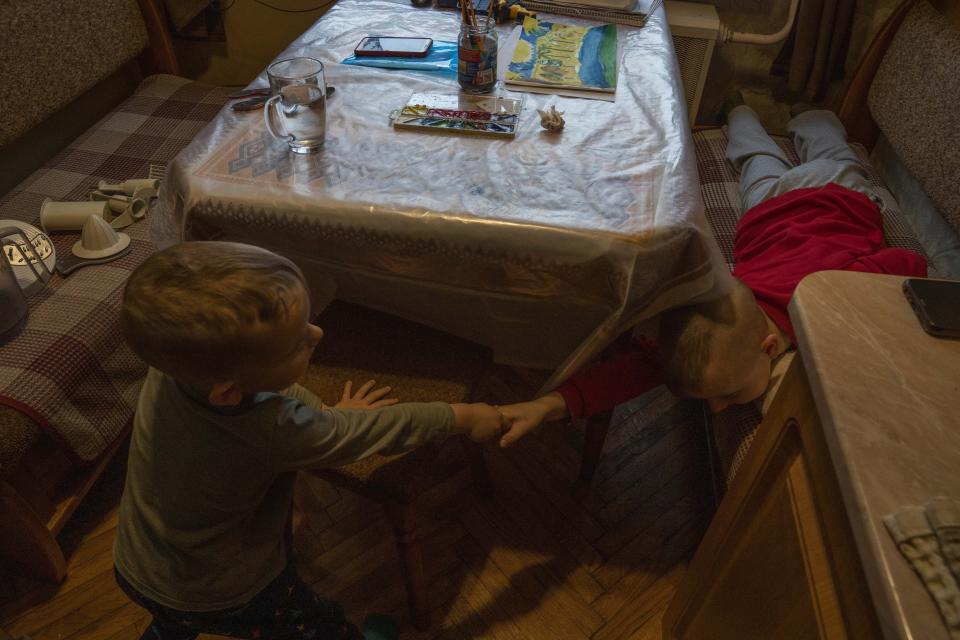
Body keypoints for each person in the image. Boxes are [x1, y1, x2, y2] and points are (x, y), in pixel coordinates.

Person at [113, 241, 506, 640]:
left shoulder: (175, 367)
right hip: (226, 591)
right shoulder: (274, 430)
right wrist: (462, 416)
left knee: (174, 620)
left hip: (135, 563)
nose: (317, 334)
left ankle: (171, 627)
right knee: (323, 627)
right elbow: (364, 434)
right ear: (228, 392)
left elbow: (274, 396)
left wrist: (325, 412)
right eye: (297, 343)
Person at [498, 105, 927, 447]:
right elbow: (636, 370)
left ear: (770, 346)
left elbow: (907, 265)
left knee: (808, 157)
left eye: (729, 395)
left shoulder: (826, 304)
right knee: (759, 162)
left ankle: (773, 115)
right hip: (770, 212)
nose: (720, 409)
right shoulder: (716, 322)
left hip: (828, 200)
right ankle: (773, 115)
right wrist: (551, 405)